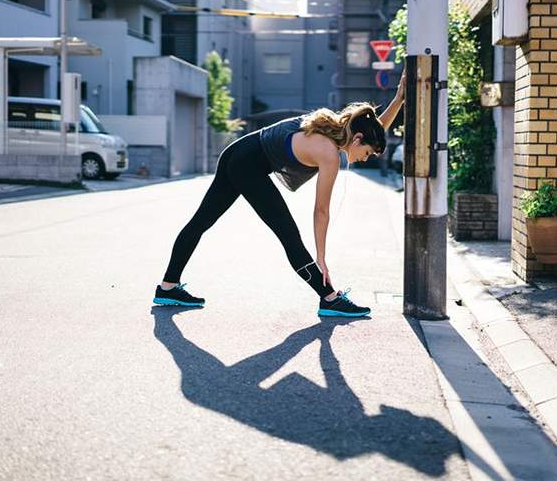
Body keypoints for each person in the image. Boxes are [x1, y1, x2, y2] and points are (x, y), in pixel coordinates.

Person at [153, 73, 406, 317]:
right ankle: (329, 298)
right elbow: (321, 211)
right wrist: (321, 256)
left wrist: (398, 99)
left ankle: (168, 287)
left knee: (201, 222)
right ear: (358, 139)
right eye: (369, 152)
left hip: (238, 154)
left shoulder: (340, 129)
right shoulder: (328, 152)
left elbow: (375, 128)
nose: (366, 157)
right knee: (288, 234)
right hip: (246, 164)